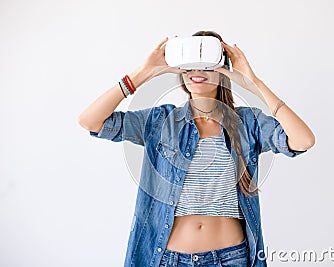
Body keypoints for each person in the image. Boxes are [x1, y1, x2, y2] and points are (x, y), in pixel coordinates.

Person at [78, 30, 315, 267]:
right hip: (168, 259)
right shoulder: (160, 121)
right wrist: (142, 74)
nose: (197, 72)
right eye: (190, 65)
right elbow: (91, 121)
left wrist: (254, 83)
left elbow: (303, 140)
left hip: (231, 258)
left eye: (206, 65)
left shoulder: (248, 123)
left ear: (223, 72)